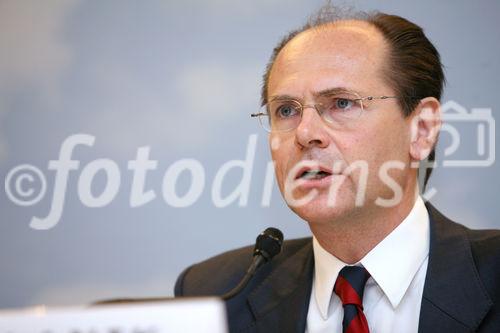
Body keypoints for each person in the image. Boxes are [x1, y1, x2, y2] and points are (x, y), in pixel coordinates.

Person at [174, 5, 500, 333]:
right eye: (286, 110)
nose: (305, 133)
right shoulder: (214, 294)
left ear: (422, 129)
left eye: (341, 103)